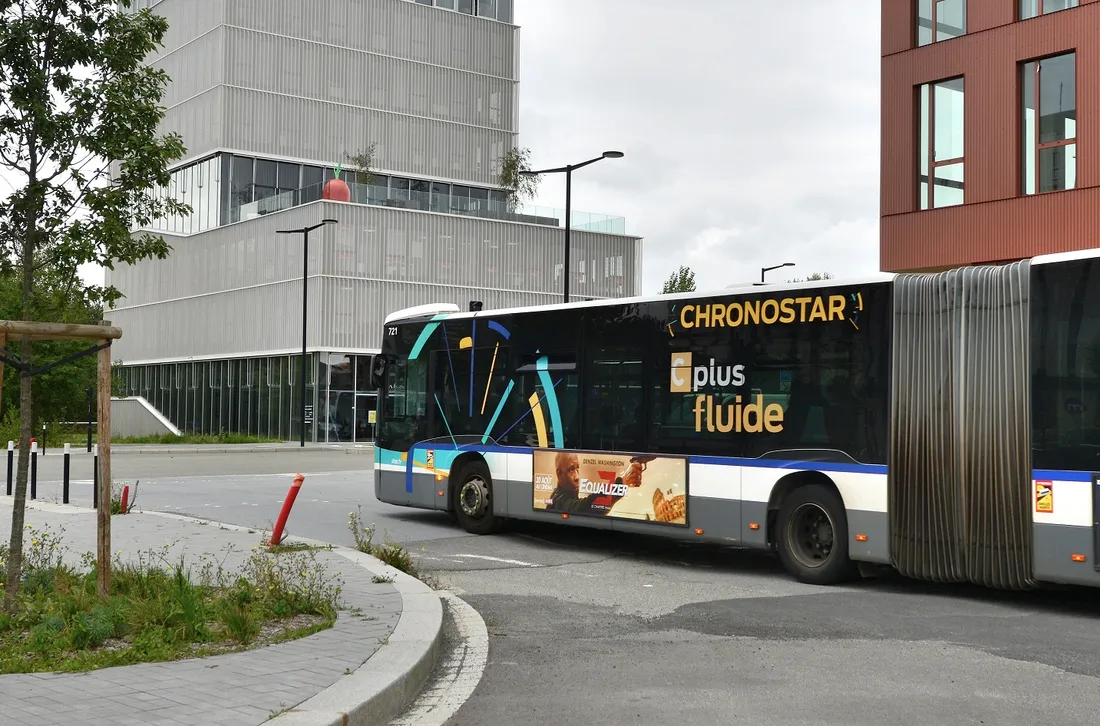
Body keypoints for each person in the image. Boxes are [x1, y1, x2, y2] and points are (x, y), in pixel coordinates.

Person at [548, 451, 629, 515]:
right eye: (571, 470)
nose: (577, 477)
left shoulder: (559, 494)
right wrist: (622, 483)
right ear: (559, 473)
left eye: (577, 468)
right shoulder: (560, 501)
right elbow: (586, 507)